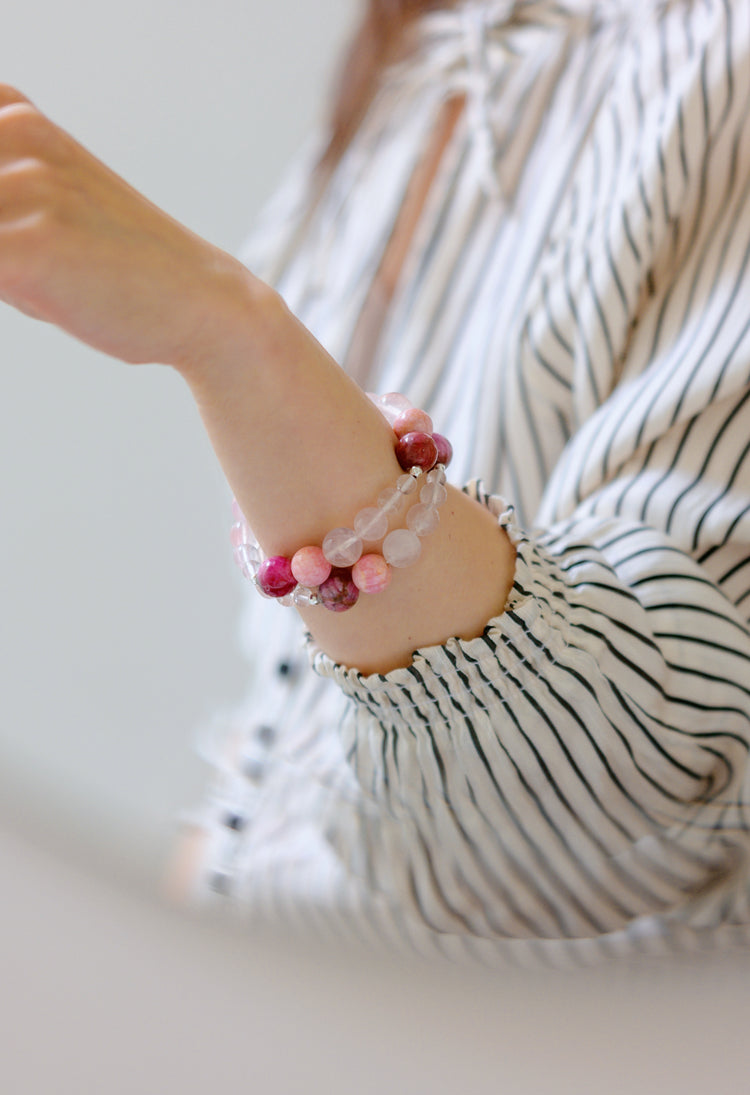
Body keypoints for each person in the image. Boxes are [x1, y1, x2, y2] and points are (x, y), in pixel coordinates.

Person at [2, 0, 750, 966]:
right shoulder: (408, 70)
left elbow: (617, 807)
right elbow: (291, 731)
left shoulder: (715, 69)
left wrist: (231, 335)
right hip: (269, 1020)